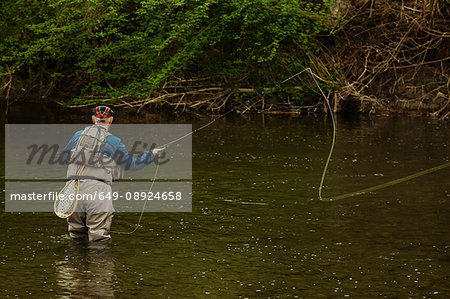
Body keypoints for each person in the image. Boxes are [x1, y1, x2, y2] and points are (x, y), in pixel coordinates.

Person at [61, 106, 164, 241]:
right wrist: (151, 155)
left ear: (93, 119)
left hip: (73, 190)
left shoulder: (76, 136)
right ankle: (100, 262)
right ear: (110, 120)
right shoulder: (114, 141)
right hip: (97, 192)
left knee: (76, 236)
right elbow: (132, 165)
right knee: (99, 239)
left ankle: (76, 261)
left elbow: (64, 159)